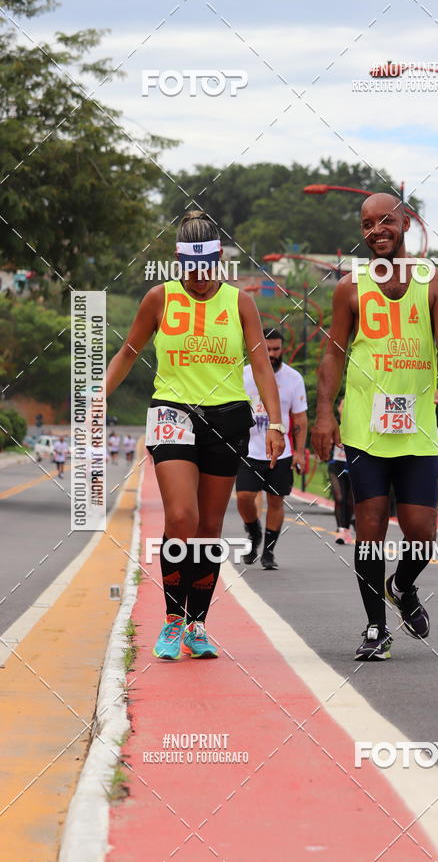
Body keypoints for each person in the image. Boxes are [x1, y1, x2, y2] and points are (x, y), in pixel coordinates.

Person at [106, 211, 285, 660]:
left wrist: (277, 423)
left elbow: (261, 366)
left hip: (227, 417)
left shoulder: (240, 302)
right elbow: (128, 351)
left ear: (219, 259)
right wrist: (98, 396)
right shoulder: (158, 298)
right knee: (181, 518)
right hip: (172, 411)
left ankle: (197, 625)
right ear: (179, 261)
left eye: (208, 268)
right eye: (192, 268)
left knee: (208, 528)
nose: (201, 278)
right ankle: (171, 620)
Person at [312, 193, 438, 660]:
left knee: (422, 534)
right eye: (367, 224)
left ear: (406, 224)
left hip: (416, 426)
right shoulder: (349, 288)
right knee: (370, 526)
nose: (376, 230)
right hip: (364, 428)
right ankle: (376, 628)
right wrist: (324, 411)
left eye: (386, 221)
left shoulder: (434, 281)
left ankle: (403, 584)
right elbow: (334, 353)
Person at [236, 328, 308, 570]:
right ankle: (253, 531)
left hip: (281, 452)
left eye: (276, 349)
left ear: (282, 349)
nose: (272, 354)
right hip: (249, 450)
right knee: (244, 497)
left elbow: (299, 419)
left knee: (276, 501)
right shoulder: (242, 375)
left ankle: (268, 552)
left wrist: (298, 452)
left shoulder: (294, 379)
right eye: (267, 349)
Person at [327, 399, 355, 544]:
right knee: (339, 498)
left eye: (348, 405)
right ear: (338, 408)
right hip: (335, 465)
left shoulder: (357, 424)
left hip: (352, 465)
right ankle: (340, 530)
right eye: (343, 405)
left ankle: (347, 528)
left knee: (350, 501)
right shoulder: (334, 424)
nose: (345, 408)